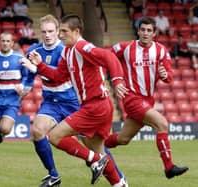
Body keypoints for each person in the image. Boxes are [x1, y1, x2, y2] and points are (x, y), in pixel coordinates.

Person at [21, 14, 128, 187]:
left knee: (55, 137)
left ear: (76, 31)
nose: (60, 35)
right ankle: (120, 184)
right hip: (98, 106)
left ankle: (94, 160)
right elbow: (57, 76)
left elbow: (109, 57)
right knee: (99, 152)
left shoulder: (82, 47)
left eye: (63, 31)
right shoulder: (68, 51)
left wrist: (117, 80)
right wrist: (40, 65)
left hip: (95, 107)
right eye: (60, 31)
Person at [105, 16, 189, 179]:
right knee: (162, 123)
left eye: (149, 30)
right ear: (138, 31)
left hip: (147, 100)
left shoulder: (161, 50)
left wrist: (165, 75)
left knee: (123, 139)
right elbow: (106, 56)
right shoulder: (126, 47)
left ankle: (96, 148)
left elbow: (169, 77)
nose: (145, 33)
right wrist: (116, 78)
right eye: (142, 29)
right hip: (131, 98)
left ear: (154, 33)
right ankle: (169, 167)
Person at [0, 32, 34, 166]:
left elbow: (27, 76)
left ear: (12, 43)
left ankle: (1, 135)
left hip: (12, 101)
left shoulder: (19, 58)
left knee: (5, 129)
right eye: (3, 41)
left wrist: (22, 85)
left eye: (8, 41)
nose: (5, 43)